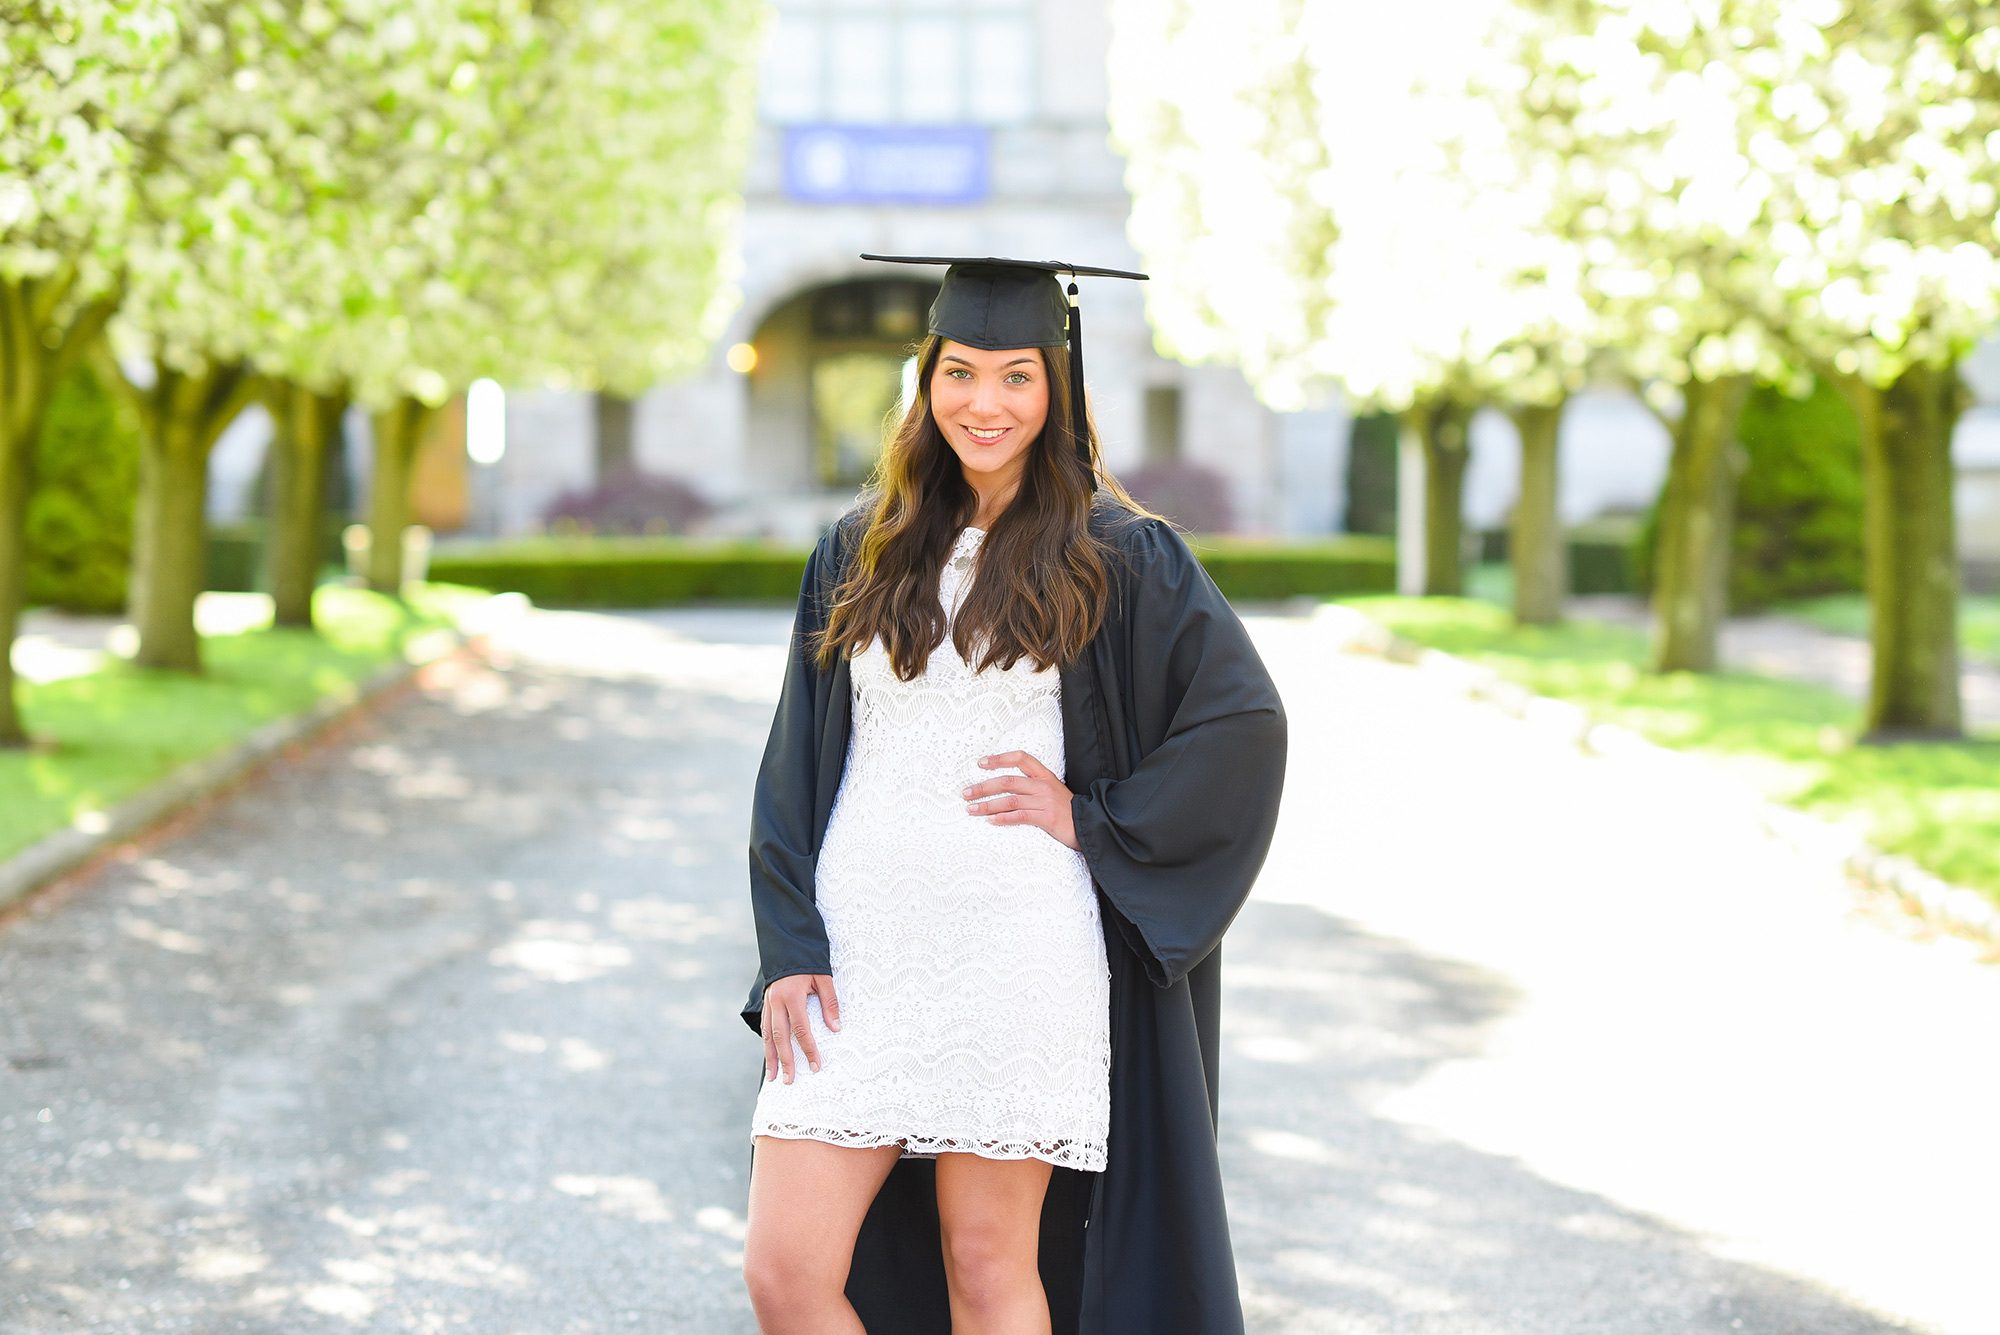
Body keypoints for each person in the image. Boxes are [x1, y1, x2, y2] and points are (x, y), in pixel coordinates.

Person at [738, 255, 1288, 1335]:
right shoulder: (858, 549)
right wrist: (789, 943)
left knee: (988, 1267)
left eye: (1016, 376)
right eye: (960, 372)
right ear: (925, 379)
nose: (983, 403)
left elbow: (1242, 723)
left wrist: (1089, 820)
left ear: (1058, 389)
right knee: (784, 1271)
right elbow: (793, 766)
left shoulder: (1117, 554)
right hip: (859, 943)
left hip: (1018, 947)